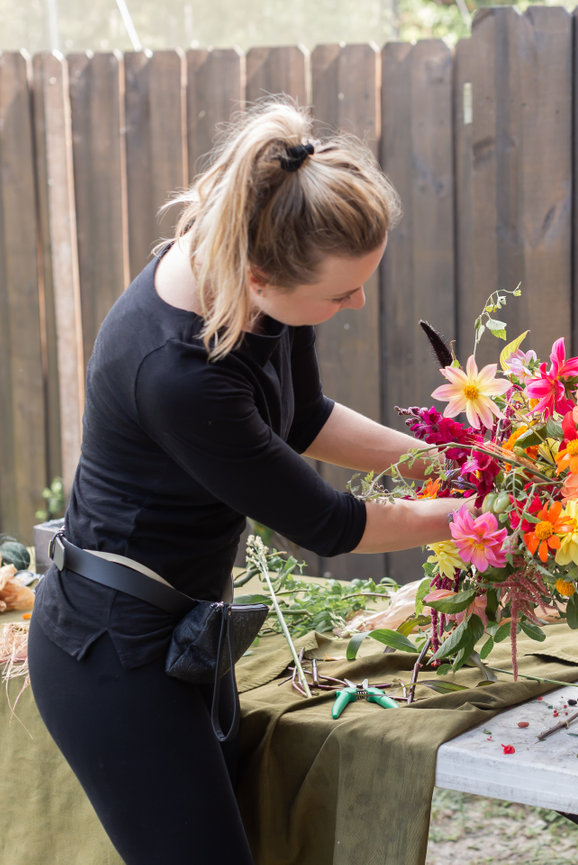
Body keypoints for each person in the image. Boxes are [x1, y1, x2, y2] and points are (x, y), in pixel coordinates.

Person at [27, 97, 463, 865]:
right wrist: (479, 513)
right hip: (110, 655)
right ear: (262, 276)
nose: (356, 302)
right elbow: (330, 523)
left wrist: (448, 459)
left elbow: (303, 418)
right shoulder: (177, 375)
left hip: (181, 627)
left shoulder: (250, 278)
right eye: (339, 293)